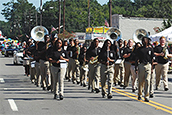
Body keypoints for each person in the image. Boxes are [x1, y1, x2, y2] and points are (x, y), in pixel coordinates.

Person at [135, 37, 154, 102]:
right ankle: (140, 94)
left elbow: (152, 59)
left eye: (145, 40)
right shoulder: (139, 49)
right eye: (143, 41)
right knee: (141, 81)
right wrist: (136, 67)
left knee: (147, 80)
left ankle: (146, 96)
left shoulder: (150, 49)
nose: (144, 42)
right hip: (141, 65)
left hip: (148, 65)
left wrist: (152, 68)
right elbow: (136, 59)